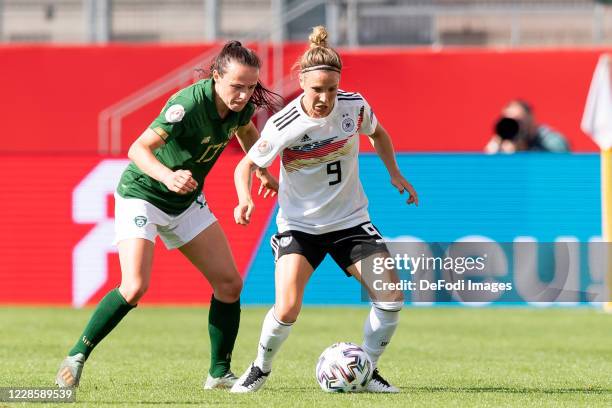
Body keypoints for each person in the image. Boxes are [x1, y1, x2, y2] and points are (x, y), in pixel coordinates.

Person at [55, 41, 281, 389]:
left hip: (186, 201)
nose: (244, 95)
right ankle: (76, 355)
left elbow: (248, 130)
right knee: (134, 287)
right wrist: (167, 175)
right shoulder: (186, 105)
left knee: (229, 284)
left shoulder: (240, 107)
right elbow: (138, 148)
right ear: (216, 75)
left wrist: (262, 168)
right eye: (237, 86)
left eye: (251, 86)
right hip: (143, 196)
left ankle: (219, 373)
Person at [229, 26, 418, 394]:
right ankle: (260, 368)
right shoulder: (284, 124)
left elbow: (379, 134)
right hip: (299, 226)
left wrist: (394, 174)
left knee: (391, 299)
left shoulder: (354, 106)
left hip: (350, 222)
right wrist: (245, 198)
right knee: (286, 309)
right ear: (301, 83)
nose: (325, 98)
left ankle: (366, 369)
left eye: (331, 89)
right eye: (317, 90)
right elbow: (245, 166)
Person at [485, 99, 570, 153]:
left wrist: (523, 152)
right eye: (509, 121)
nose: (514, 126)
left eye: (518, 121)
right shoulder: (502, 144)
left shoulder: (550, 140)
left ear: (530, 120)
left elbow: (560, 165)